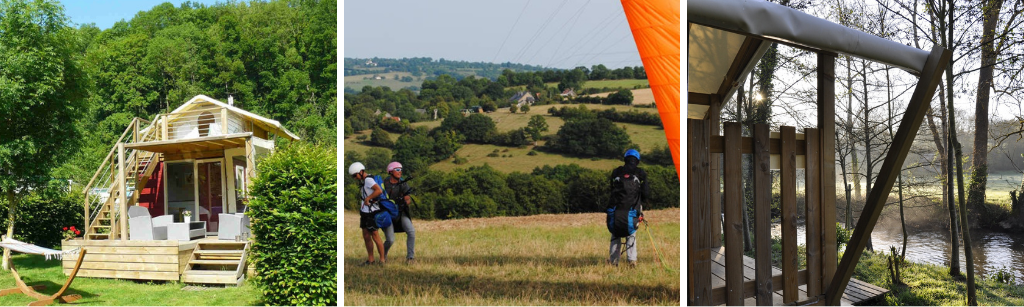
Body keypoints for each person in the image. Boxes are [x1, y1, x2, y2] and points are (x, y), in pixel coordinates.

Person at [607, 149, 649, 267]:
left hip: (616, 209)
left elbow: (611, 190)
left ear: (625, 159)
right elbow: (646, 193)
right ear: (637, 161)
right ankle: (632, 260)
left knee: (615, 234)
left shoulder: (616, 172)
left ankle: (613, 261)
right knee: (631, 233)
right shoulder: (640, 173)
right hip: (633, 208)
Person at [349, 162, 386, 266]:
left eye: (355, 175)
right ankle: (371, 260)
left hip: (371, 212)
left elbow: (378, 191)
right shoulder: (365, 181)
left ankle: (382, 260)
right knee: (366, 235)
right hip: (365, 212)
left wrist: (368, 198)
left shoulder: (368, 180)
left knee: (375, 235)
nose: (355, 178)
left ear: (361, 172)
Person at [382, 161, 416, 264]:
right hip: (387, 214)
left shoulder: (403, 183)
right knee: (390, 239)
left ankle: (410, 258)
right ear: (391, 171)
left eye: (401, 170)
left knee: (411, 232)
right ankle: (382, 256)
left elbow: (408, 199)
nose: (400, 172)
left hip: (400, 213)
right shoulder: (384, 184)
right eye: (397, 170)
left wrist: (404, 201)